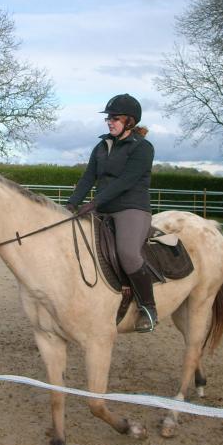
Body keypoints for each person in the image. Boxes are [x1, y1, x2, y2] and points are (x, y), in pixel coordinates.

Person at [66, 94, 157, 332]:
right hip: (103, 208)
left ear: (130, 121)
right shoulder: (102, 145)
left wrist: (94, 203)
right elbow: (88, 177)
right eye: (109, 118)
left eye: (115, 118)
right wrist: (71, 205)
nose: (110, 122)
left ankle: (148, 306)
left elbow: (126, 181)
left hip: (131, 208)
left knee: (127, 253)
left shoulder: (143, 148)